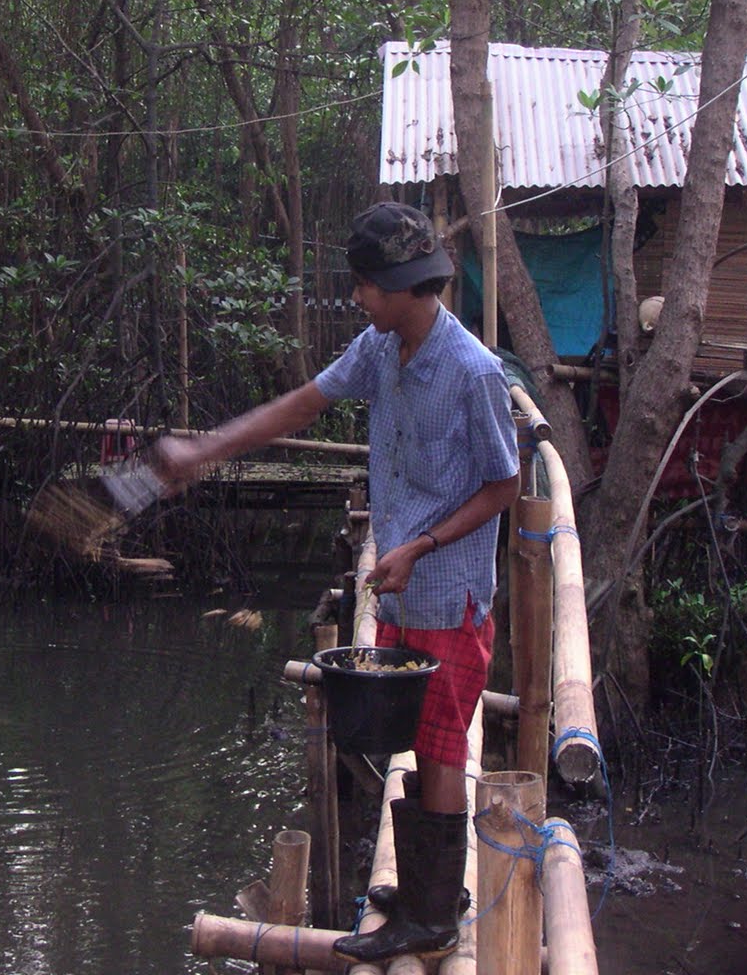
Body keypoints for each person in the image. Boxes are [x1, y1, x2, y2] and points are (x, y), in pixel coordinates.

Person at [156, 201, 520, 963]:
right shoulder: (379, 349)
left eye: (365, 286)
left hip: (446, 588)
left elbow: (502, 487)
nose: (357, 299)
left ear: (406, 287)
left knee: (445, 747)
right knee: (415, 740)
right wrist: (207, 449)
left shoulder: (474, 372)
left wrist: (418, 545)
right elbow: (303, 403)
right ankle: (429, 887)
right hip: (400, 582)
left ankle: (432, 918)